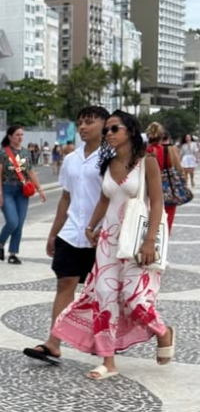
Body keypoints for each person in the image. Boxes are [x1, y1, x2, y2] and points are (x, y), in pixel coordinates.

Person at [52, 110, 174, 380]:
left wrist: (150, 241)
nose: (108, 133)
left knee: (134, 299)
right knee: (105, 297)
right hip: (108, 242)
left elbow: (157, 203)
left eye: (113, 128)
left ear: (129, 130)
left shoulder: (147, 162)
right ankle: (108, 362)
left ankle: (163, 331)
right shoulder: (107, 163)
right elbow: (105, 200)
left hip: (136, 242)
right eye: (106, 129)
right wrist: (90, 226)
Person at [23, 106, 109, 365]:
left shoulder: (112, 157)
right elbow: (66, 198)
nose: (83, 127)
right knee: (64, 284)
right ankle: (53, 343)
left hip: (102, 234)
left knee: (102, 291)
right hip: (72, 233)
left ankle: (104, 344)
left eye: (90, 122)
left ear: (105, 125)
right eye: (80, 122)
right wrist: (54, 233)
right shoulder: (71, 159)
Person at [0, 125, 46, 265]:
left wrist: (39, 189)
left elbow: (30, 172)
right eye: (17, 134)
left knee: (20, 223)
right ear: (10, 136)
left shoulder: (25, 153)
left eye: (22, 134)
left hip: (22, 191)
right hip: (6, 189)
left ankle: (13, 253)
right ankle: (0, 243)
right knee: (12, 221)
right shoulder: (2, 153)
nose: (20, 137)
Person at [145, 122, 182, 234]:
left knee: (149, 221)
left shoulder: (146, 151)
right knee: (167, 222)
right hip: (168, 190)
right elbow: (179, 169)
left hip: (149, 191)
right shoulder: (170, 150)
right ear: (161, 135)